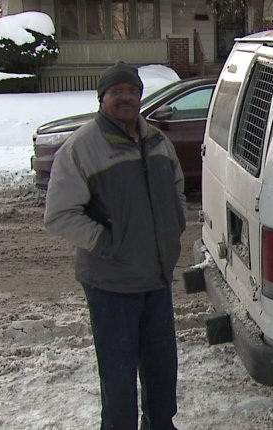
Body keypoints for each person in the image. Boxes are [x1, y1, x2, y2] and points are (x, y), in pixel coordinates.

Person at [44, 61, 186, 429]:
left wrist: (174, 227)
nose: (125, 98)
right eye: (117, 92)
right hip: (111, 285)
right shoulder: (82, 148)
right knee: (119, 382)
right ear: (102, 97)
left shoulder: (157, 141)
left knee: (161, 375)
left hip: (156, 279)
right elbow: (59, 214)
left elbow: (177, 189)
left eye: (132, 91)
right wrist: (108, 243)